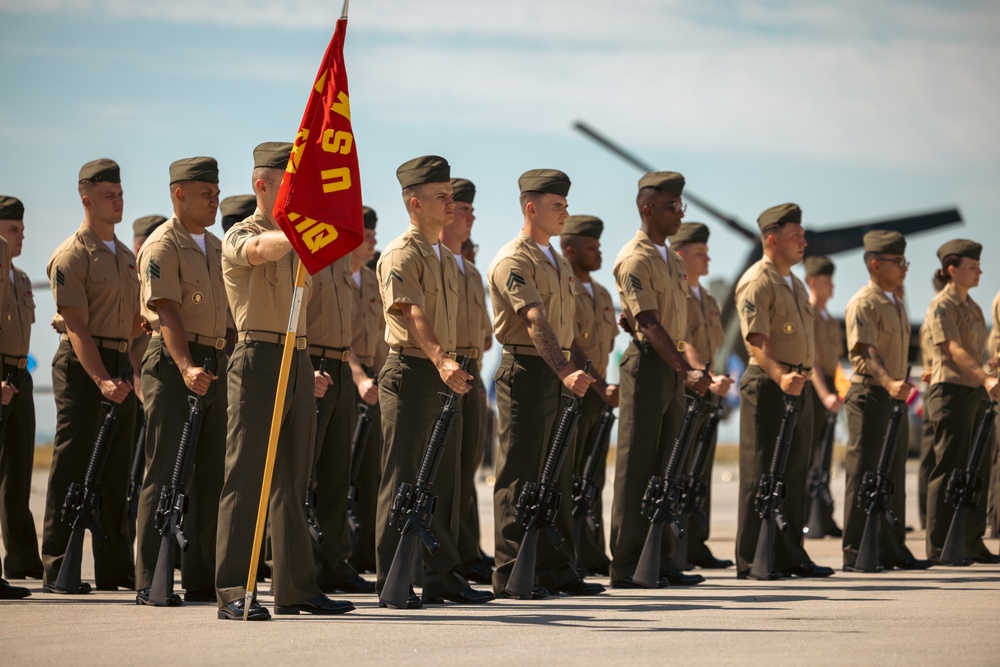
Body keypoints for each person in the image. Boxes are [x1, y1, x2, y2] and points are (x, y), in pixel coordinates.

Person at [215, 141, 354, 620]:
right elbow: (256, 251)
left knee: (295, 478)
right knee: (246, 475)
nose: (298, 193)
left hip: (296, 356)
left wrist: (307, 364)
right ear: (261, 184)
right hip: (257, 356)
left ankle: (296, 587)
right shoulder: (241, 233)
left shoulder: (298, 241)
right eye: (288, 183)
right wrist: (301, 231)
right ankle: (234, 589)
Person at [375, 156, 492, 608]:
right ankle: (394, 579)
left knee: (446, 480)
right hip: (412, 369)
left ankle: (444, 576)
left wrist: (456, 365)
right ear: (414, 202)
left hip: (447, 373)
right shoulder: (401, 253)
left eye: (451, 195)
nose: (450, 202)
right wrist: (442, 359)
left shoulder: (445, 257)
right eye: (441, 196)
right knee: (402, 477)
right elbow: (411, 312)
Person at [488, 168, 602, 599]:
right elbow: (534, 320)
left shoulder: (556, 260)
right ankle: (512, 570)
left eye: (567, 205)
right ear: (531, 208)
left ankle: (556, 567)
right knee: (520, 472)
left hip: (559, 373)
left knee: (556, 473)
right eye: (558, 206)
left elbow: (564, 325)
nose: (565, 212)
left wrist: (581, 367)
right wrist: (564, 369)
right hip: (527, 371)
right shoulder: (513, 260)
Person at [42, 158, 141, 594]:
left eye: (120, 193)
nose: (117, 201)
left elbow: (134, 322)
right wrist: (102, 379)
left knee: (117, 470)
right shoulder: (72, 255)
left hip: (118, 363)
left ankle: (115, 568)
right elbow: (78, 327)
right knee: (73, 462)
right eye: (108, 195)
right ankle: (58, 564)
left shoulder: (127, 256)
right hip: (84, 367)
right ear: (86, 200)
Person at [134, 157, 229, 605]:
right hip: (174, 363)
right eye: (205, 192)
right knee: (165, 470)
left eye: (215, 191)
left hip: (213, 359)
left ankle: (201, 576)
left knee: (210, 474)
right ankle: (150, 576)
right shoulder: (162, 245)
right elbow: (166, 309)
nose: (214, 199)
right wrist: (187, 365)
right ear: (179, 194)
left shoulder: (215, 246)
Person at [610, 172, 711, 589]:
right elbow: (649, 322)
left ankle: (664, 557)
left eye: (681, 206)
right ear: (647, 209)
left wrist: (692, 367)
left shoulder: (671, 259)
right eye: (672, 206)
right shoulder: (635, 258)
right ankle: (629, 563)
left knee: (669, 462)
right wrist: (684, 368)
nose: (679, 214)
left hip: (671, 365)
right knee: (638, 465)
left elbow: (677, 326)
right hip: (650, 363)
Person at [733, 203, 833, 580]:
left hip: (798, 384)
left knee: (793, 472)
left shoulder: (793, 283)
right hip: (770, 384)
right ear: (772, 240)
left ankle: (790, 553)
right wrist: (780, 376)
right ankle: (753, 558)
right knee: (761, 472)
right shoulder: (758, 280)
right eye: (797, 235)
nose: (804, 241)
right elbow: (756, 339)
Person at [841, 231, 931, 571]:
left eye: (905, 261)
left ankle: (893, 548)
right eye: (898, 262)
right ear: (875, 264)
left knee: (893, 473)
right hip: (871, 394)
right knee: (863, 473)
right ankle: (856, 551)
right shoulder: (864, 303)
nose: (905, 267)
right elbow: (866, 352)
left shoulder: (895, 302)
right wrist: (889, 381)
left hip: (894, 394)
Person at [305, 198, 375, 595]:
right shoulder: (309, 260)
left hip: (340, 368)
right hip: (312, 365)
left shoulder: (340, 269)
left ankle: (334, 563)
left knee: (335, 476)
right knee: (304, 476)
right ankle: (297, 565)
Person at [924, 239, 1000, 564]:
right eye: (973, 266)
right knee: (949, 467)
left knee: (977, 468)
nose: (979, 271)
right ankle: (940, 544)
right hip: (950, 391)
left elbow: (974, 351)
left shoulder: (974, 307)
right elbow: (953, 349)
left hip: (974, 391)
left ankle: (971, 540)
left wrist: (989, 366)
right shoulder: (942, 306)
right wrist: (985, 378)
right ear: (952, 271)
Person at [668, 222, 734, 568]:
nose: (708, 258)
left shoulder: (706, 298)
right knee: (680, 469)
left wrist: (716, 379)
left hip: (708, 388)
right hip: (687, 389)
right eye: (700, 252)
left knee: (701, 471)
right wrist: (707, 378)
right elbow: (684, 343)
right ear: (680, 255)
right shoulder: (676, 295)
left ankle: (696, 542)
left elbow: (715, 345)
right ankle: (676, 544)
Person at [440, 178, 494, 585]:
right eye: (464, 209)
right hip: (445, 371)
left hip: (471, 373)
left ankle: (467, 552)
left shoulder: (471, 273)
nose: (471, 216)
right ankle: (446, 559)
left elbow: (486, 336)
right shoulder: (434, 261)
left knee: (466, 472)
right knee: (444, 472)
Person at [558, 214, 618, 577]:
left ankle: (591, 551)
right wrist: (599, 385)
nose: (598, 252)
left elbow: (606, 345)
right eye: (591, 247)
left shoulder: (602, 293)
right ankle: (569, 553)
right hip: (578, 390)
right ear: (570, 250)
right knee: (570, 476)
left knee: (593, 478)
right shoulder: (565, 289)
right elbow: (573, 346)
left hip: (601, 393)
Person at [346, 206, 383, 574]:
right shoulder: (335, 274)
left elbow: (383, 341)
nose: (373, 241)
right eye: (367, 235)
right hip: (341, 375)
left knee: (370, 471)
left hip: (372, 380)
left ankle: (363, 555)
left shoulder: (371, 280)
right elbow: (336, 337)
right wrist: (358, 376)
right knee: (340, 471)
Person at [802, 255, 844, 539]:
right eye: (827, 281)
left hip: (830, 385)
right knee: (811, 457)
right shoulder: (809, 313)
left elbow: (835, 360)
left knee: (825, 456)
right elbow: (812, 359)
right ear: (813, 282)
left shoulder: (829, 318)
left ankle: (824, 516)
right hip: (814, 387)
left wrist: (838, 389)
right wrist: (824, 393)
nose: (833, 286)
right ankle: (809, 518)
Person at [0, 196, 29, 599]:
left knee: (19, 468)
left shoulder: (20, 280)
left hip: (18, 373)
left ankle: (22, 560)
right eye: (12, 229)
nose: (19, 237)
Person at [917, 274, 946, 529]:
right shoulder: (935, 316)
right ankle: (928, 516)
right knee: (930, 454)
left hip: (942, 386)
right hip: (936, 387)